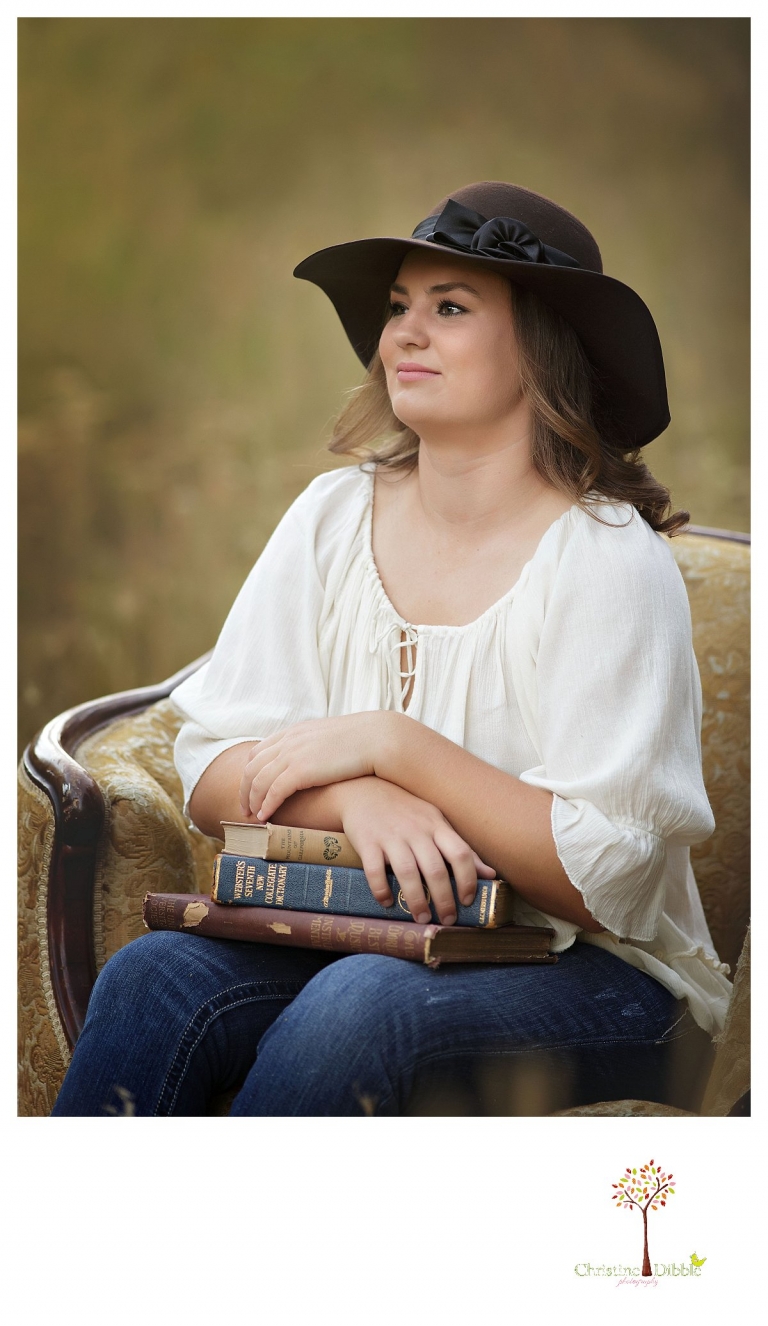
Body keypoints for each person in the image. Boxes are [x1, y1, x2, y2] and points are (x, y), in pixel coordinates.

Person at [52, 181, 732, 1118]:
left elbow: (603, 878)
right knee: (153, 977)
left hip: (604, 980)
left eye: (450, 308)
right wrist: (355, 795)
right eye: (398, 308)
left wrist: (396, 748)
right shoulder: (330, 519)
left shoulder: (606, 558)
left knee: (358, 1011)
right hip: (376, 938)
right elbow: (209, 769)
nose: (405, 333)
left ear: (543, 348)